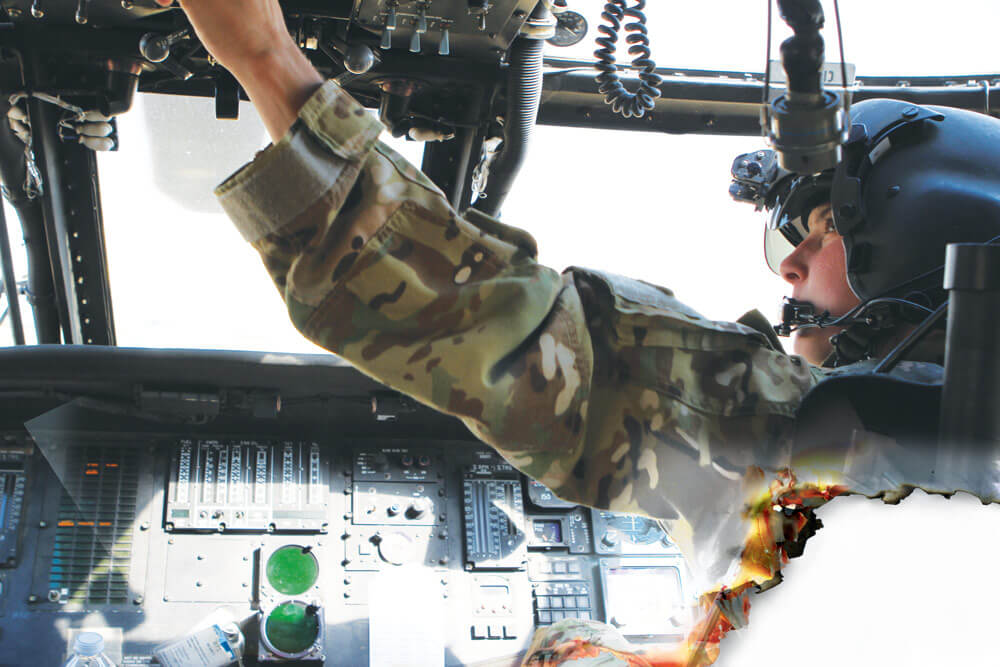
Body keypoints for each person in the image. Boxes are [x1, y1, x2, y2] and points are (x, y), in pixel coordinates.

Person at [155, 1, 1000, 664]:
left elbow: (512, 336)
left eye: (820, 229)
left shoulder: (843, 436)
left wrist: (263, 54)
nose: (789, 268)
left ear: (934, 233)